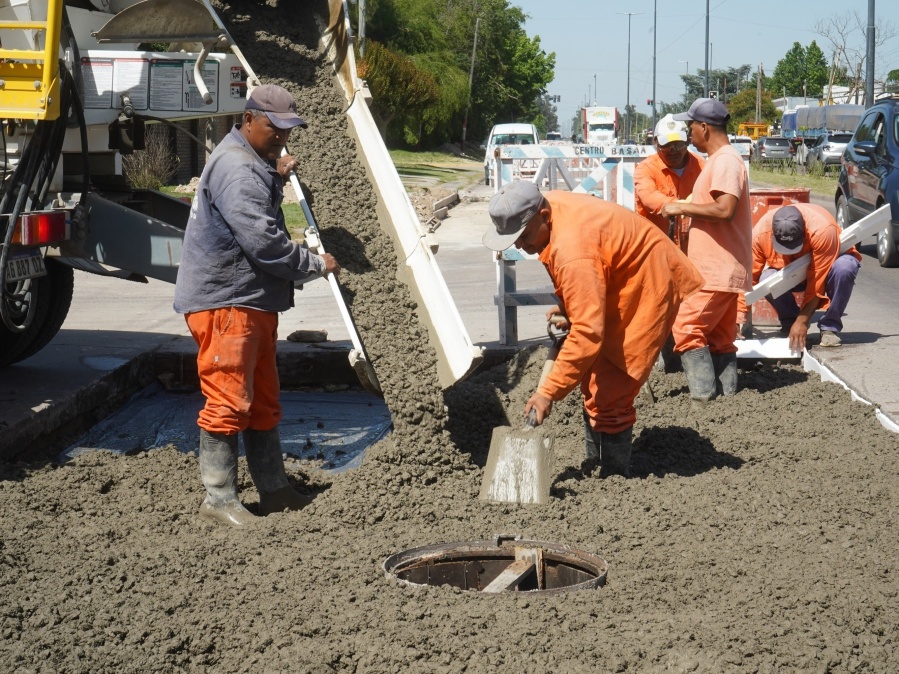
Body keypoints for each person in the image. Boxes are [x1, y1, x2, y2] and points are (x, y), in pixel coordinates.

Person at [173, 84, 340, 527]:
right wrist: (315, 264)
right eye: (274, 128)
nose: (282, 138)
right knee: (228, 399)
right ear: (249, 119)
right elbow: (263, 243)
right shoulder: (238, 170)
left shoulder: (250, 162)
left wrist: (276, 175)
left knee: (262, 400)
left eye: (288, 130)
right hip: (227, 303)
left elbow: (254, 213)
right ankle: (219, 500)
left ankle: (274, 490)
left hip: (249, 302)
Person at [482, 181, 704, 477]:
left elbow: (588, 332)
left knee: (611, 390)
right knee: (592, 378)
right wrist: (570, 306)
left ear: (544, 216)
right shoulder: (548, 208)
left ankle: (613, 479)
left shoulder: (573, 250)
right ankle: (594, 466)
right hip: (616, 276)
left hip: (646, 281)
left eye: (523, 236)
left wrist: (547, 392)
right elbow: (586, 275)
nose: (520, 245)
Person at [660, 98, 752, 404]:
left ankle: (704, 398)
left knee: (685, 326)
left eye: (690, 127)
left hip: (717, 268)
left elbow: (725, 209)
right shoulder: (721, 160)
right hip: (723, 267)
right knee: (720, 337)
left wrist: (684, 206)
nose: (688, 134)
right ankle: (727, 401)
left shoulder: (725, 161)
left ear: (704, 128)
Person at [751, 203, 861, 351]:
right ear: (773, 234)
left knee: (844, 268)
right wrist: (737, 319)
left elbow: (817, 282)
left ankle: (830, 325)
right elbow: (748, 279)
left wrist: (803, 320)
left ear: (803, 231)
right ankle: (790, 322)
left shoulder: (822, 230)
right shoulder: (760, 233)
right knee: (766, 279)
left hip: (826, 270)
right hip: (790, 273)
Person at [634, 114, 705, 241]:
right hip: (655, 245)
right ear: (656, 142)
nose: (673, 151)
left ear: (687, 141)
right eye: (666, 145)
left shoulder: (702, 167)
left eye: (678, 145)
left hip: (692, 246)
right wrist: (680, 205)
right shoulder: (645, 169)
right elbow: (649, 198)